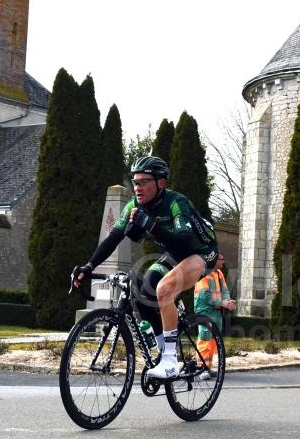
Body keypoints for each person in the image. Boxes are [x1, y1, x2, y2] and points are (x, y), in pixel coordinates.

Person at [73, 156, 219, 379]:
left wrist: (150, 224)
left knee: (163, 289)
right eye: (135, 182)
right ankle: (165, 353)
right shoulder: (134, 205)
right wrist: (89, 266)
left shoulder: (175, 201)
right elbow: (113, 238)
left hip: (201, 252)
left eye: (143, 182)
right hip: (175, 253)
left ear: (161, 183)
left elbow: (185, 242)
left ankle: (170, 361)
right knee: (146, 290)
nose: (137, 187)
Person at [194, 252, 236, 380]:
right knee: (205, 338)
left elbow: (225, 290)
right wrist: (223, 303)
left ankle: (207, 366)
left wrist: (227, 302)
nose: (223, 262)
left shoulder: (219, 273)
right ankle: (200, 368)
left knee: (213, 340)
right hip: (205, 311)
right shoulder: (203, 273)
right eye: (221, 259)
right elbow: (204, 296)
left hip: (216, 310)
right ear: (213, 260)